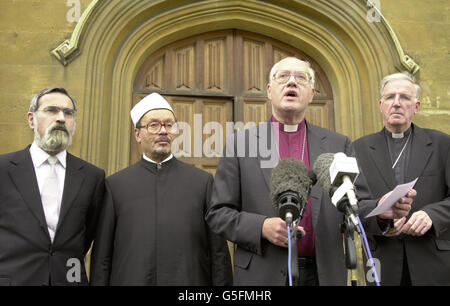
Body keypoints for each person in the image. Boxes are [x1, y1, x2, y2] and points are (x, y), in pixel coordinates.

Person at [205, 57, 414, 286]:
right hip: (263, 275)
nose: (292, 82)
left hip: (323, 274)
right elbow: (218, 213)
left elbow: (356, 205)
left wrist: (381, 210)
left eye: (301, 78)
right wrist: (261, 227)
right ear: (269, 90)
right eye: (283, 76)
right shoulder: (241, 144)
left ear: (312, 93)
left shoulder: (338, 144)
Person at [90, 92, 232, 285]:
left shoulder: (202, 182)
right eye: (154, 125)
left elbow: (218, 254)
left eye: (169, 125)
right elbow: (102, 258)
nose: (163, 131)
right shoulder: (115, 186)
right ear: (137, 134)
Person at [0, 87, 105, 286]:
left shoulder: (92, 177)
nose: (61, 118)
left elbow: (86, 235)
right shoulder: (3, 169)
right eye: (51, 110)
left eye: (68, 113)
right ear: (31, 119)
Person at [354, 72, 450, 285]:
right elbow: (354, 207)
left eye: (405, 97)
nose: (396, 103)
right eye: (390, 97)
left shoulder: (442, 144)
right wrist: (381, 215)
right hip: (382, 262)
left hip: (434, 263)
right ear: (381, 105)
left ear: (416, 106)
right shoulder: (358, 149)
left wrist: (431, 214)